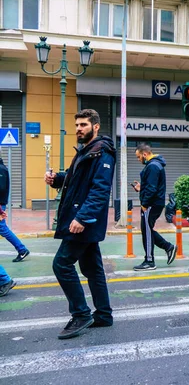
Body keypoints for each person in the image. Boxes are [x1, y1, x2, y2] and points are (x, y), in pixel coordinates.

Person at [45, 109, 116, 339]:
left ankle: (81, 314)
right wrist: (58, 179)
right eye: (77, 125)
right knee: (92, 269)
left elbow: (99, 190)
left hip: (83, 221)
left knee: (61, 264)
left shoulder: (102, 152)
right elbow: (76, 179)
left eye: (83, 125)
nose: (78, 129)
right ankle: (103, 315)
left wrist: (82, 218)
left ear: (95, 127)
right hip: (83, 219)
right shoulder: (87, 151)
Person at [131, 143, 176, 271]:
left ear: (145, 154)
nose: (138, 159)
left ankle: (150, 261)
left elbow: (152, 188)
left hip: (151, 204)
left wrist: (145, 204)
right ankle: (168, 247)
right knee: (147, 230)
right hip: (153, 203)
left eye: (139, 157)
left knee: (147, 230)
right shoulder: (154, 165)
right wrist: (141, 188)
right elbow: (151, 186)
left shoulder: (153, 166)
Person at [0, 157, 30, 262]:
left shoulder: (1, 169)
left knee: (2, 228)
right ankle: (22, 249)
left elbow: (1, 188)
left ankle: (22, 249)